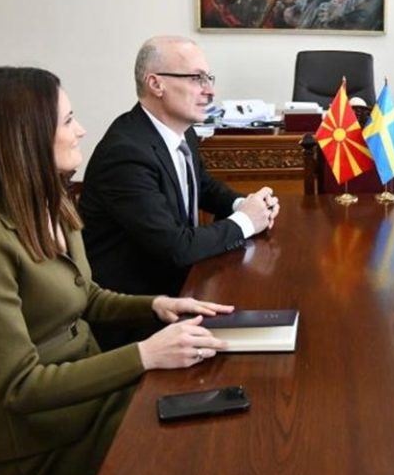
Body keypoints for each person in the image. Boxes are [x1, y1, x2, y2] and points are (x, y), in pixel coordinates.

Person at [0, 67, 233, 475]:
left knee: (217, 407)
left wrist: (157, 305)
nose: (81, 131)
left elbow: (86, 297)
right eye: (68, 120)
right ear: (25, 137)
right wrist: (145, 355)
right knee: (201, 456)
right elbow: (20, 386)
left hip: (93, 401)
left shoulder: (53, 201)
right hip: (45, 446)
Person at [79, 36, 279, 346]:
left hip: (183, 289)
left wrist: (244, 204)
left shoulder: (182, 131)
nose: (209, 90)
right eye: (196, 78)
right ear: (156, 84)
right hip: (138, 315)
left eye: (209, 78)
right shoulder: (125, 153)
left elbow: (202, 185)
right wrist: (245, 222)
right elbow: (176, 247)